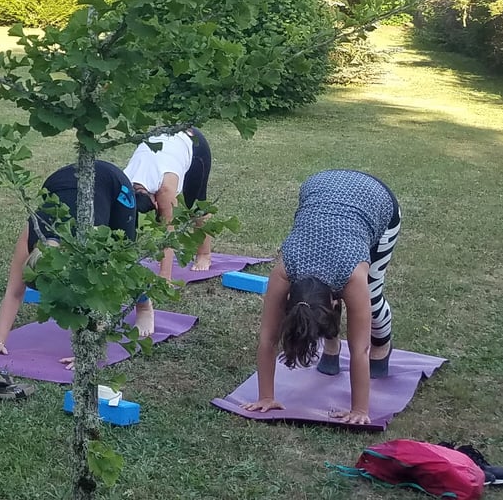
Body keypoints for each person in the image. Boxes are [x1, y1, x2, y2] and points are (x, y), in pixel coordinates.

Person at [244, 169, 401, 426]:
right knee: (335, 297)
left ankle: (384, 348)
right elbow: (267, 339)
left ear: (334, 302)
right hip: (321, 188)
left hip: (376, 199)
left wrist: (359, 409)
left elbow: (360, 349)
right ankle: (331, 346)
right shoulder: (284, 271)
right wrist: (266, 397)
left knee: (372, 293)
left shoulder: (352, 276)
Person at [0, 160, 153, 360]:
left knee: (123, 258)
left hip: (113, 183)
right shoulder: (32, 235)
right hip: (63, 180)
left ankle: (145, 307)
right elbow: (13, 293)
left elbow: (102, 298)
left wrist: (88, 351)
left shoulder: (89, 242)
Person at [121, 128, 214, 278]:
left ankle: (205, 254)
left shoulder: (165, 188)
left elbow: (169, 230)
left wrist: (165, 276)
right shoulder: (124, 181)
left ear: (156, 202)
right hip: (162, 143)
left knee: (196, 207)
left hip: (192, 142)